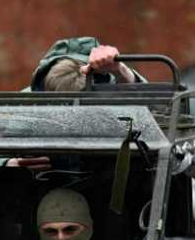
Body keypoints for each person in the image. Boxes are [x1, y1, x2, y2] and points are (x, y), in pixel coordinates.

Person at [8, 38, 143, 171]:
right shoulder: (26, 104)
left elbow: (154, 113)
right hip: (44, 186)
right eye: (62, 104)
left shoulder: (119, 94)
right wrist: (9, 163)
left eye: (82, 101)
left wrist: (121, 70)